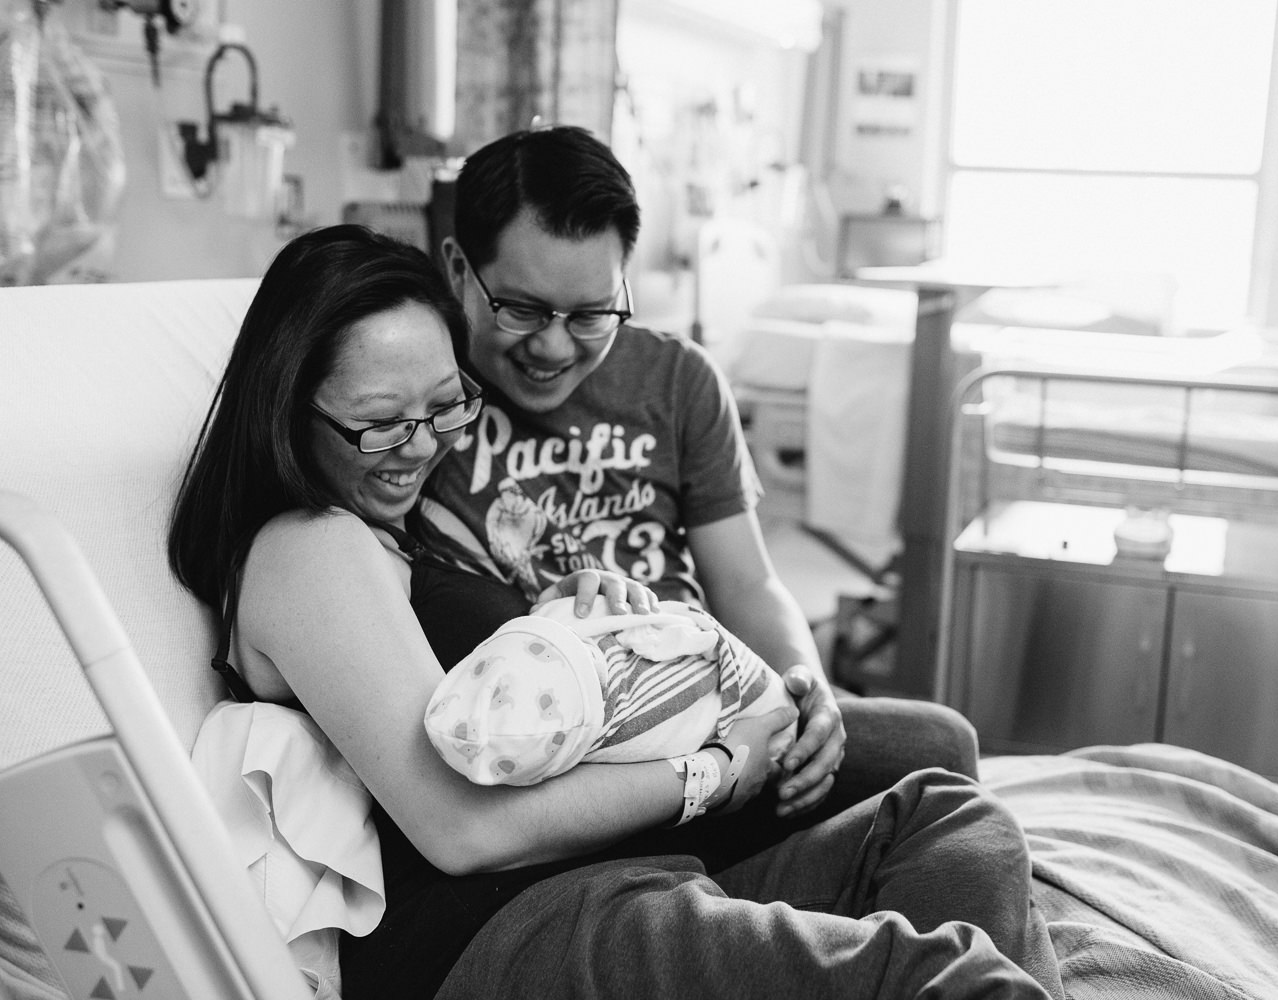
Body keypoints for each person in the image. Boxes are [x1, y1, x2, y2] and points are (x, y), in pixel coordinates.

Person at [167, 224, 1063, 1000]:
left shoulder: (400, 528)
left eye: (444, 408)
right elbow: (462, 829)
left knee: (954, 817)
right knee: (936, 976)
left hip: (621, 876)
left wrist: (567, 630)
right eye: (380, 422)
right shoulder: (307, 544)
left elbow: (480, 705)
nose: (423, 446)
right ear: (287, 410)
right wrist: (717, 771)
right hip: (507, 935)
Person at [431, 123, 979, 823]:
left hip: (713, 700)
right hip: (561, 731)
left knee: (942, 749)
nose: (554, 344)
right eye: (523, 309)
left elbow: (747, 580)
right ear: (457, 269)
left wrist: (804, 688)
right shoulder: (425, 403)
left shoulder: (675, 379)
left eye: (592, 313)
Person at [425, 594, 795, 798]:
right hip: (746, 746)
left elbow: (752, 583)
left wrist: (809, 682)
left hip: (763, 727)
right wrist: (716, 773)